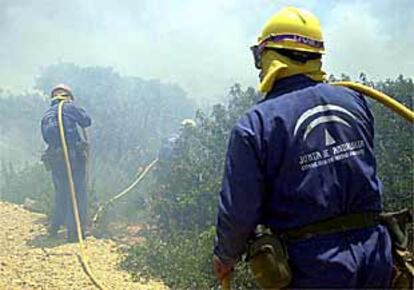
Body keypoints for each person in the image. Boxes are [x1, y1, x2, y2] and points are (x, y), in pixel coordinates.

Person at [213, 6, 392, 288]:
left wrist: (225, 256)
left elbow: (239, 210)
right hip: (376, 255)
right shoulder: (354, 101)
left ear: (269, 55)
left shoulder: (256, 123)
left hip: (313, 266)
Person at [41, 84, 91, 242]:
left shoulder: (47, 114)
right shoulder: (69, 107)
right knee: (77, 192)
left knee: (61, 192)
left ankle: (54, 228)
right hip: (72, 156)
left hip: (55, 158)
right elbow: (86, 121)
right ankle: (75, 232)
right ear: (68, 95)